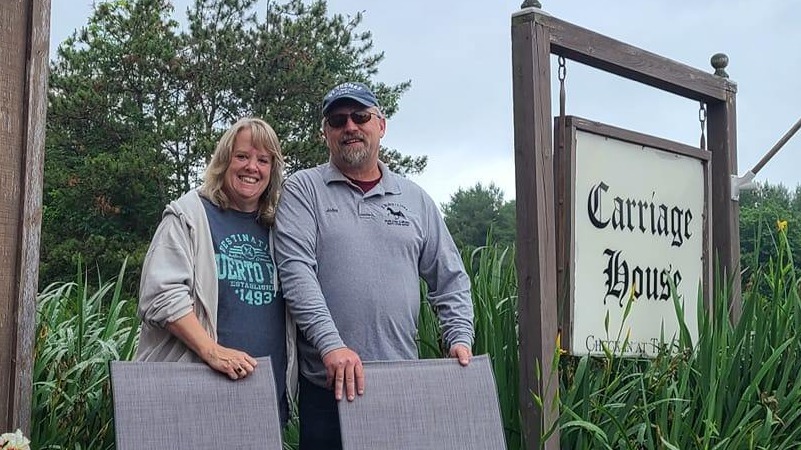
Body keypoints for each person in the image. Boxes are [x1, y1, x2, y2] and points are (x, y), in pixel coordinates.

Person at [274, 82, 474, 449]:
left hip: (400, 388)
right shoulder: (304, 189)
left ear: (381, 125)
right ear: (326, 134)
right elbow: (295, 273)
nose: (349, 126)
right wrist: (331, 346)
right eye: (337, 120)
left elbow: (450, 278)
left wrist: (459, 336)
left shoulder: (416, 200)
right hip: (327, 389)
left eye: (360, 116)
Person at [136, 117, 295, 424]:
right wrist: (213, 351)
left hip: (263, 397)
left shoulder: (279, 229)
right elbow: (161, 295)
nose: (252, 167)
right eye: (242, 156)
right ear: (224, 160)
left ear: (272, 171)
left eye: (263, 160)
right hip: (192, 395)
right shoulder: (189, 214)